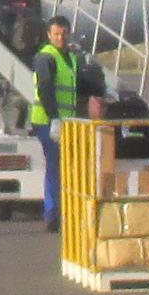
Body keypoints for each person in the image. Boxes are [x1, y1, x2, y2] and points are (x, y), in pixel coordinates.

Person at [29, 13, 104, 233]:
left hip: (67, 121)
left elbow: (78, 86)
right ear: (49, 35)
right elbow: (45, 88)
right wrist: (54, 119)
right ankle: (52, 216)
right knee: (55, 166)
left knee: (70, 167)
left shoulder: (70, 57)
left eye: (63, 34)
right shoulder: (45, 57)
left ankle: (67, 212)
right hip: (47, 121)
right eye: (56, 34)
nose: (60, 38)